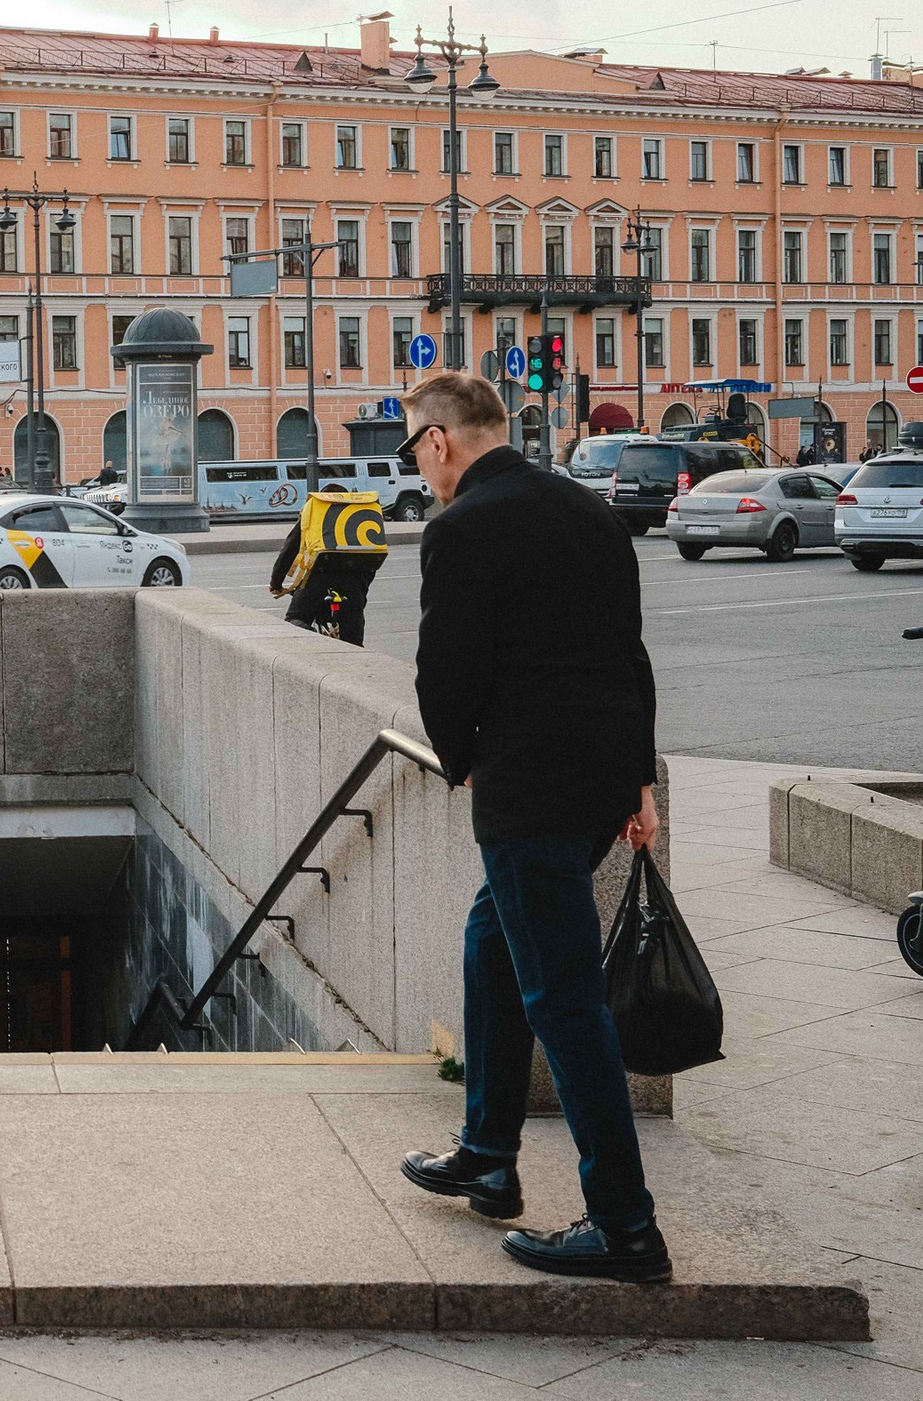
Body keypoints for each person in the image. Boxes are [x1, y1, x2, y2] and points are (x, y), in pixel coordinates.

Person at [395, 372, 670, 1283]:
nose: (417, 467)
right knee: (493, 936)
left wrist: (461, 756)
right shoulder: (588, 512)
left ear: (439, 441)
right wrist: (638, 779)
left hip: (531, 786)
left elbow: (446, 675)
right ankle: (488, 1151)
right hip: (596, 781)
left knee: (562, 997)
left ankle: (626, 1226)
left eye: (412, 448)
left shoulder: (462, 527)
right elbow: (628, 654)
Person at [266, 489, 387, 646]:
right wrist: (361, 590)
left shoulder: (315, 511)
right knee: (354, 641)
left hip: (318, 580)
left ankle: (310, 635)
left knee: (294, 619)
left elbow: (290, 549)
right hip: (354, 585)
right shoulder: (359, 514)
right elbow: (372, 559)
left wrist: (276, 583)